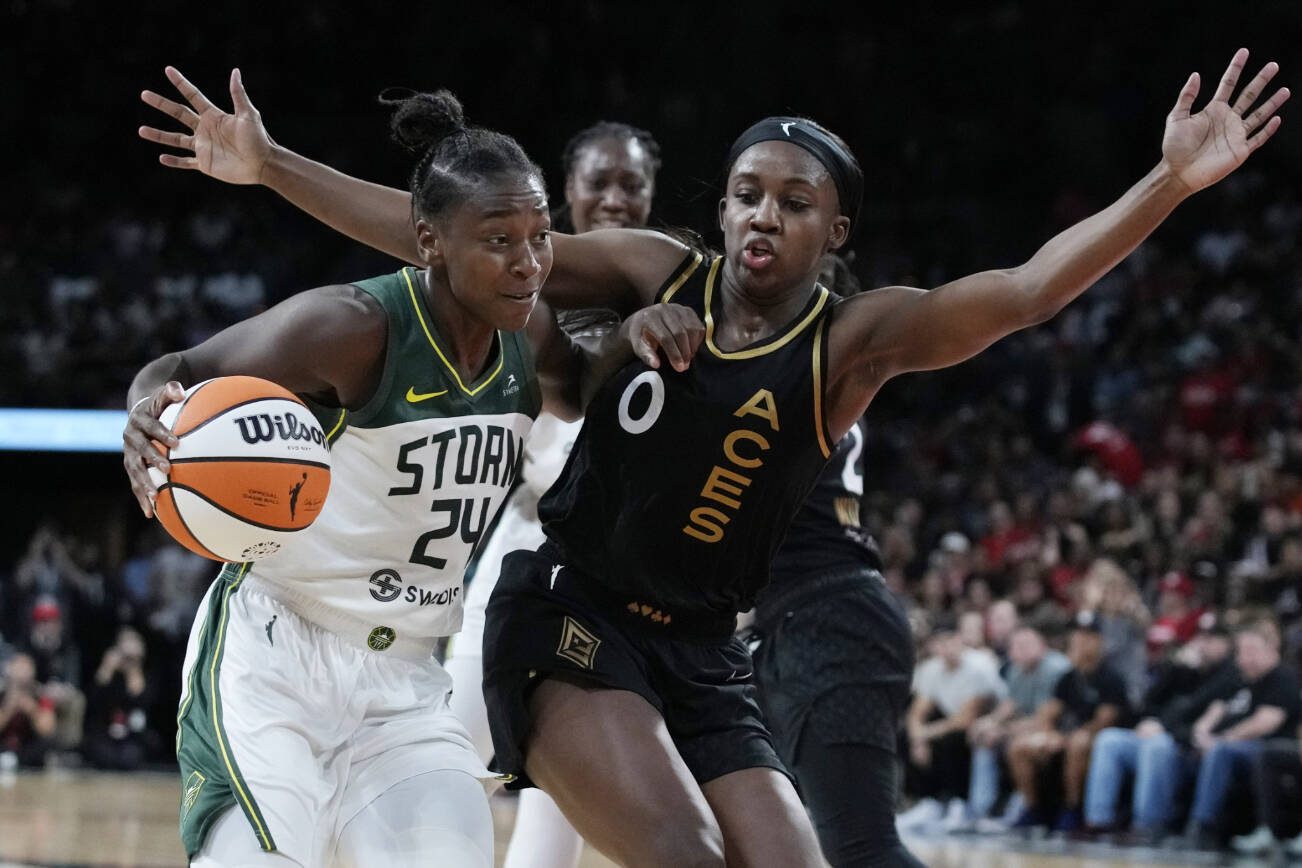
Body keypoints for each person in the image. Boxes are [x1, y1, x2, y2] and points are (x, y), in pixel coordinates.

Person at [139, 51, 1288, 865]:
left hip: (704, 651)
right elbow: (467, 244)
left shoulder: (852, 343)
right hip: (574, 620)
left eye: (795, 203)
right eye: (744, 193)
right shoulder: (652, 269)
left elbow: (1031, 293)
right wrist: (276, 166)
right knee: (683, 857)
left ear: (833, 233)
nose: (761, 216)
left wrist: (1170, 183)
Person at [127, 78, 701, 868]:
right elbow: (180, 367)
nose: (530, 262)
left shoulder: (528, 338)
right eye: (499, 239)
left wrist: (640, 329)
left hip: (405, 683)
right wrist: (143, 420)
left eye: (539, 237)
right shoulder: (349, 328)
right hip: (278, 657)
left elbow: (586, 384)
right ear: (427, 240)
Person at [446, 120, 661, 868]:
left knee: (562, 784)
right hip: (527, 547)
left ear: (652, 192)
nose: (614, 197)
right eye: (598, 182)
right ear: (565, 192)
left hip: (621, 581)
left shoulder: (676, 289)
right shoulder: (523, 289)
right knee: (453, 746)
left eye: (630, 183)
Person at [1082, 615, 1239, 840]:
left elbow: (1193, 711)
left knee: (1157, 746)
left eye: (1213, 639)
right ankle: (1098, 821)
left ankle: (1147, 826)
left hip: (1188, 746)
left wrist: (1163, 727)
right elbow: (1149, 703)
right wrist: (1175, 668)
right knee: (1110, 739)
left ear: (1227, 644)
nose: (1205, 644)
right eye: (1201, 638)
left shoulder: (1229, 675)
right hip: (1162, 736)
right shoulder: (1183, 669)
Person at [1006, 611, 1131, 831]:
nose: (1079, 641)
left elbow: (1104, 721)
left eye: (1087, 636)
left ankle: (1072, 809)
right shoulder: (1068, 677)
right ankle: (1032, 809)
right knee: (1020, 747)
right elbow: (1048, 712)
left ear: (1099, 642)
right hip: (1066, 736)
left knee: (1079, 743)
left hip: (1096, 738)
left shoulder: (1111, 678)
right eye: (1076, 635)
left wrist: (1066, 738)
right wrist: (1048, 733)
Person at [899, 623, 1005, 832]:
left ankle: (959, 803)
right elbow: (918, 711)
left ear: (961, 641)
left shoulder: (979, 667)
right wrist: (918, 738)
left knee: (953, 739)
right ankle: (929, 801)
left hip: (984, 723)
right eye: (941, 643)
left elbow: (966, 718)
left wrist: (925, 734)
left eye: (951, 641)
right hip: (950, 721)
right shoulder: (930, 669)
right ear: (934, 647)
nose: (947, 647)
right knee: (903, 736)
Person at [966, 624, 1072, 827]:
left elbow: (1046, 719)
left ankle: (1024, 806)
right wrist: (988, 723)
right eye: (1016, 646)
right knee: (982, 737)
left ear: (1042, 646)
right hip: (1029, 726)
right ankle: (980, 810)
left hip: (1057, 729)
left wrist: (1003, 730)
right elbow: (1011, 704)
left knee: (1013, 744)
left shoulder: (1055, 669)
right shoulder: (1016, 668)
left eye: (1026, 645)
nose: (1020, 650)